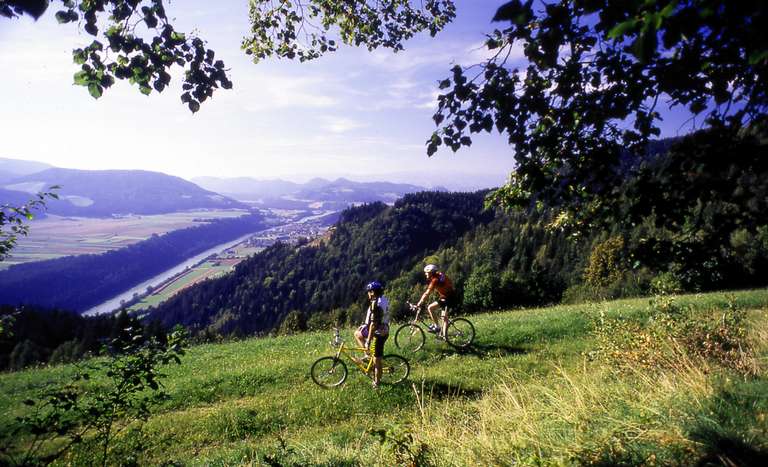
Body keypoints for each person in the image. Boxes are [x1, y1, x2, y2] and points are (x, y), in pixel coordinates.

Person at [354, 281, 390, 388]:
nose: (368, 294)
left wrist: (368, 341)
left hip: (379, 334)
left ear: (373, 292)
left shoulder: (376, 304)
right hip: (381, 328)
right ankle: (367, 355)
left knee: (377, 362)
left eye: (369, 292)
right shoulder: (383, 299)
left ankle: (377, 383)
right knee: (358, 334)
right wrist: (365, 325)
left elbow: (374, 325)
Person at [415, 264, 455, 337]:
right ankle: (437, 327)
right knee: (430, 308)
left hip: (449, 298)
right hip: (444, 297)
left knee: (444, 318)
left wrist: (419, 303)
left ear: (430, 273)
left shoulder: (435, 280)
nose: (425, 274)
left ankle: (445, 337)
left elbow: (427, 293)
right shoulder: (438, 275)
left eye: (426, 272)